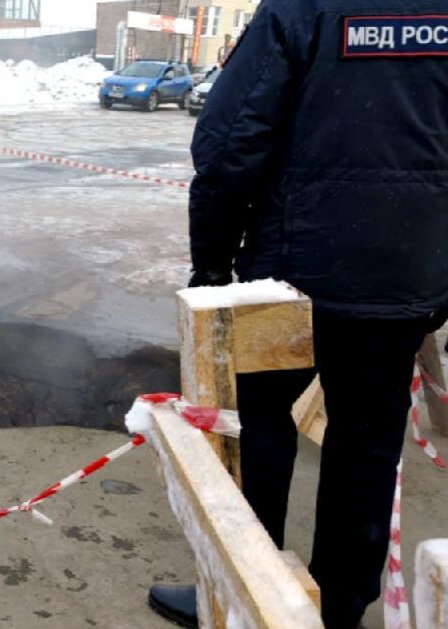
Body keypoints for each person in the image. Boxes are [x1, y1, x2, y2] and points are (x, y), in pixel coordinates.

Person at [149, 1, 448, 627]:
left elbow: (232, 142)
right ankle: (338, 611)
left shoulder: (304, 6)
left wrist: (212, 264)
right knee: (366, 444)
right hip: (404, 276)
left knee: (255, 423)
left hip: (294, 274)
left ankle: (243, 592)